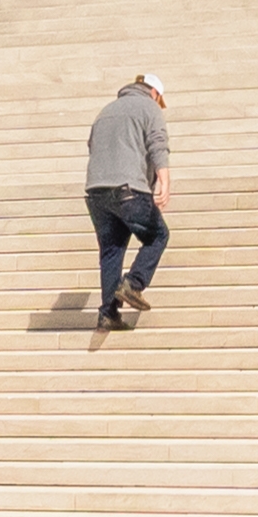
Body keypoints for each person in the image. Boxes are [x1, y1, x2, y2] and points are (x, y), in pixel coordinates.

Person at [83, 72, 173, 333]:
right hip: (128, 189)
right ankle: (133, 284)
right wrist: (164, 181)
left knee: (111, 250)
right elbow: (158, 144)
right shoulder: (149, 107)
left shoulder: (106, 111)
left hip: (96, 191)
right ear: (154, 93)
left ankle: (108, 314)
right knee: (158, 235)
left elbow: (93, 146)